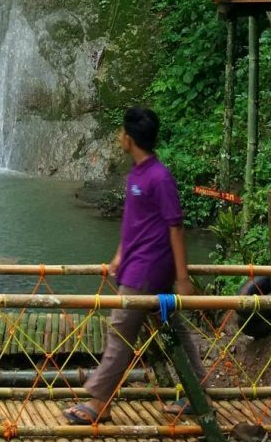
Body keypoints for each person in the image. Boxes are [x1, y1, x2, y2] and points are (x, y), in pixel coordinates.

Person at [64, 106, 206, 425]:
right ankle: (199, 393)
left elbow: (175, 226)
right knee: (175, 330)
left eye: (120, 133)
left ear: (128, 138)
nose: (118, 137)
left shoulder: (159, 177)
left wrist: (182, 277)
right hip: (139, 263)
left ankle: (100, 402)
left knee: (120, 331)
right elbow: (135, 222)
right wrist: (119, 254)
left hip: (148, 269)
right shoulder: (137, 174)